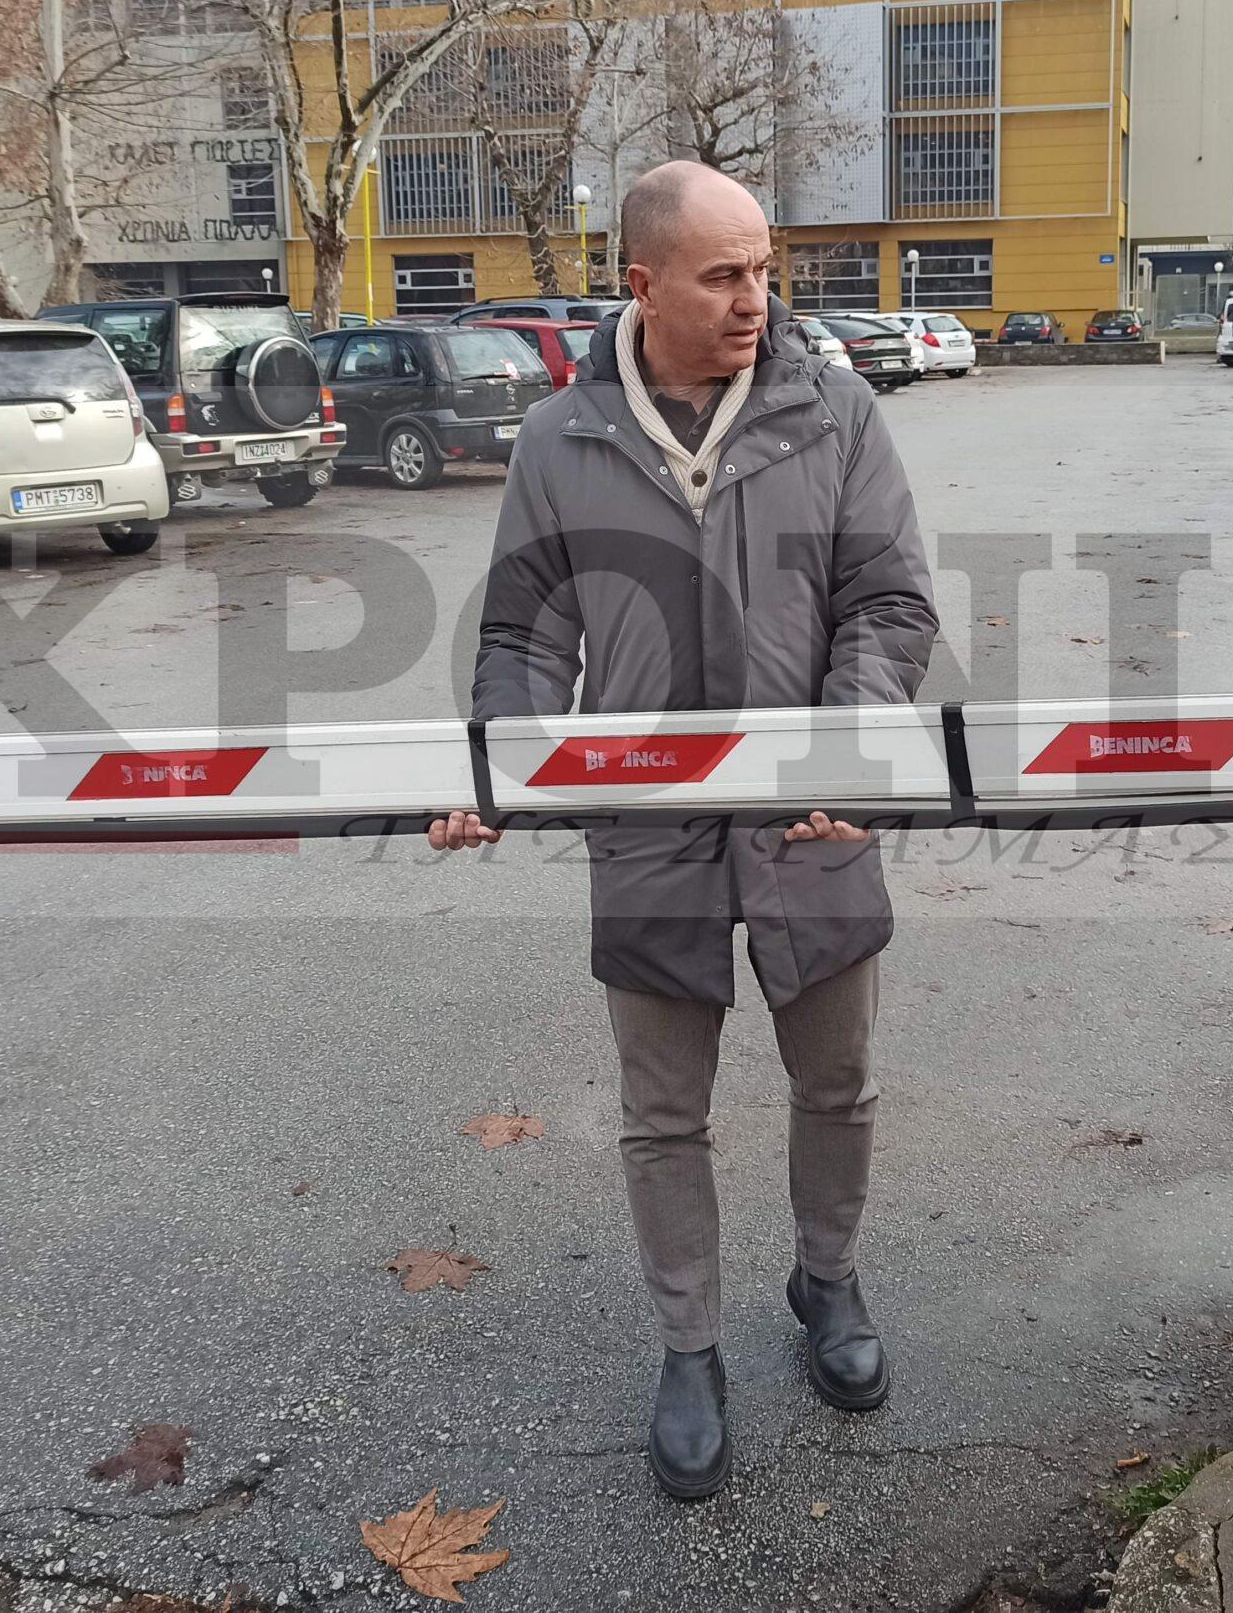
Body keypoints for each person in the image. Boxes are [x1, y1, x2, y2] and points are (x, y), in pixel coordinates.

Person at [427, 160, 937, 1501]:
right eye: (723, 276)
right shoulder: (561, 441)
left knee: (838, 1081)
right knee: (664, 1113)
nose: (755, 298)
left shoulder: (834, 411)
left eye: (765, 269)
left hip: (811, 814)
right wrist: (502, 772)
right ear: (642, 284)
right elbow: (523, 632)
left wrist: (844, 746)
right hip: (649, 830)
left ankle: (828, 1281)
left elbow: (888, 603)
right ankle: (690, 1348)